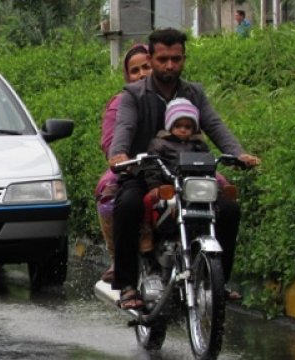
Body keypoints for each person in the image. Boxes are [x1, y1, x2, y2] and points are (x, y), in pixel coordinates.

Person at [107, 28, 261, 310]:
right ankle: (127, 285)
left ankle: (218, 282)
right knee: (127, 205)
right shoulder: (133, 94)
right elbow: (125, 127)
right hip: (146, 174)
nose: (170, 65)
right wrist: (119, 154)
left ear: (184, 59)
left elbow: (215, 125)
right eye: (163, 59)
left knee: (228, 210)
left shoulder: (194, 93)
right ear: (151, 59)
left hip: (190, 173)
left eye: (176, 59)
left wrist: (239, 154)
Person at [96, 43, 152, 283]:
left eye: (147, 67)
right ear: (127, 76)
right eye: (135, 70)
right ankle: (118, 258)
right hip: (133, 168)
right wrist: (120, 158)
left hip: (171, 165)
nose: (142, 74)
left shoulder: (174, 95)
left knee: (220, 187)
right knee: (108, 193)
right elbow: (111, 141)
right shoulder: (120, 103)